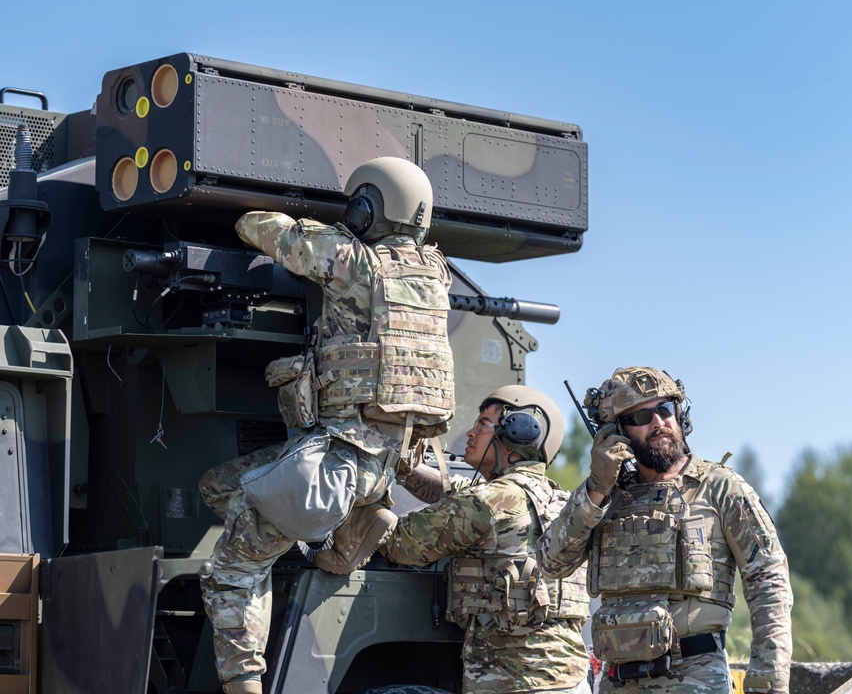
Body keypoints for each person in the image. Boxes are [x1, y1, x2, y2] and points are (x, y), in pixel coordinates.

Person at [199, 156, 455, 694]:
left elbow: (257, 227)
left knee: (234, 568)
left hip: (335, 460)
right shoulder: (438, 272)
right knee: (220, 486)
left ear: (366, 209)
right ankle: (352, 530)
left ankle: (242, 685)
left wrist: (322, 223)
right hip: (386, 463)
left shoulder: (351, 258)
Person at [537, 366, 792, 694]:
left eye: (664, 410)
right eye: (640, 417)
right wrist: (596, 487)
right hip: (617, 682)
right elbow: (551, 562)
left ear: (679, 415)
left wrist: (767, 683)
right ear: (617, 432)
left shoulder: (720, 488)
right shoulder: (606, 497)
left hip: (696, 679)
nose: (658, 422)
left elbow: (769, 583)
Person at [367, 385, 592, 694]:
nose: (471, 433)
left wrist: (362, 508)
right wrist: (402, 467)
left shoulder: (490, 501)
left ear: (518, 433)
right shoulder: (562, 502)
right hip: (569, 680)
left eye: (483, 425)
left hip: (517, 684)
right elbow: (451, 492)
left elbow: (402, 543)